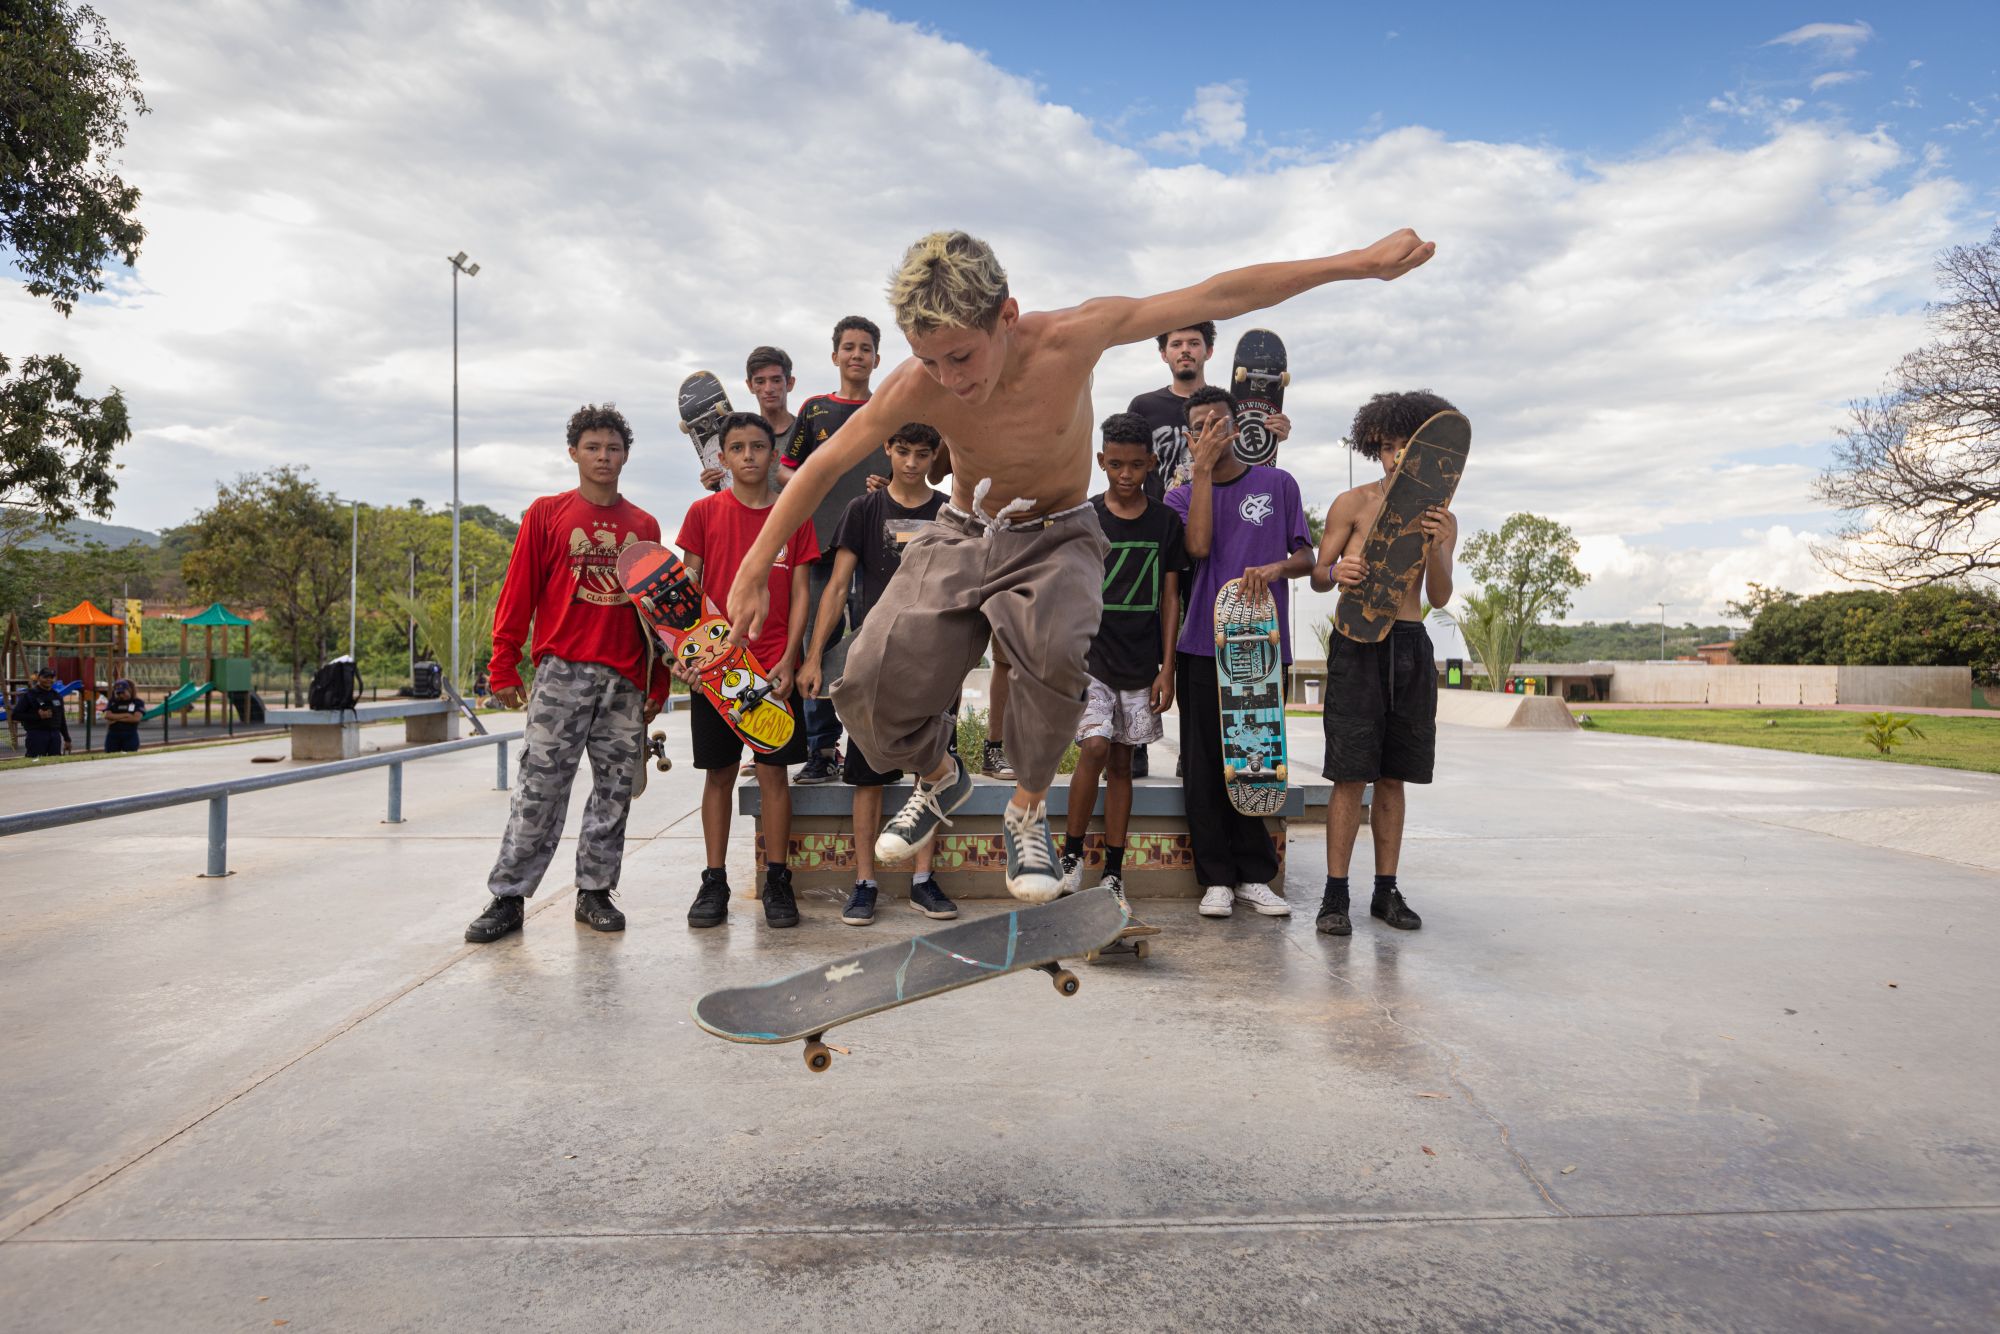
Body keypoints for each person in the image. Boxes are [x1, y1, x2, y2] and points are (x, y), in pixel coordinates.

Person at [724, 226, 1434, 901]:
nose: (948, 379)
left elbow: (1217, 295)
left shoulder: (1075, 335)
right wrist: (756, 566)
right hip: (964, 529)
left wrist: (1356, 263)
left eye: (961, 357)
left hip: (1058, 535)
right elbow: (821, 466)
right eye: (930, 359)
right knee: (864, 677)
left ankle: (1028, 812)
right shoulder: (916, 385)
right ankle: (940, 776)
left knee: (1058, 653)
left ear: (1007, 315)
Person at [464, 404, 670, 944]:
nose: (604, 457)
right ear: (574, 452)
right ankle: (508, 897)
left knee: (615, 792)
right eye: (594, 447)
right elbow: (519, 590)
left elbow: (659, 613)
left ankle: (595, 892)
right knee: (539, 787)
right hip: (561, 672)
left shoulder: (643, 526)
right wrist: (502, 662)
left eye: (614, 448)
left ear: (627, 455)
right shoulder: (547, 513)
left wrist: (659, 682)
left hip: (624, 679)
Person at [1310, 390, 1460, 935]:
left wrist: (1440, 547)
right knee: (1350, 776)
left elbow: (1439, 596)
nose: (1397, 456)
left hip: (1410, 643)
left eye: (1407, 446)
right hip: (1357, 641)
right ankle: (1334, 897)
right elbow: (1318, 574)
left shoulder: (1441, 515)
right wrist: (1337, 572)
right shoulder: (1351, 504)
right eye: (1389, 447)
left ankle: (1386, 892)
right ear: (1376, 447)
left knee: (1393, 778)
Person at [799, 422, 960, 926]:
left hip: (935, 661)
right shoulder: (864, 510)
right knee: (867, 775)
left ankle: (922, 880)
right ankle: (865, 881)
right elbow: (836, 586)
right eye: (903, 452)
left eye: (922, 453)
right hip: (873, 659)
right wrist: (813, 657)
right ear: (887, 450)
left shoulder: (948, 513)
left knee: (930, 772)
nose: (912, 463)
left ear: (935, 455)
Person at [1166, 387, 1314, 918]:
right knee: (1206, 764)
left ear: (1237, 427)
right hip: (1204, 646)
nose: (1212, 433)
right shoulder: (1180, 496)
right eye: (1200, 426)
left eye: (1219, 422)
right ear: (1190, 438)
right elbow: (1199, 548)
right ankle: (1216, 880)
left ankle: (1255, 875)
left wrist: (1277, 569)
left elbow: (1306, 554)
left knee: (1256, 757)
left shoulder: (1278, 484)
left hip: (1262, 644)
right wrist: (1200, 473)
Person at [1126, 322, 1291, 780]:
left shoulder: (1230, 406)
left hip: (1220, 534)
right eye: (1175, 343)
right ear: (1164, 354)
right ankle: (1137, 739)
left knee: (1205, 644)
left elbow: (1258, 472)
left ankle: (1202, 752)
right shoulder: (1146, 406)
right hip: (1168, 522)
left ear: (1209, 351)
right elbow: (1130, 462)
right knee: (1152, 625)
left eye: (1193, 343)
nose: (1184, 350)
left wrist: (1272, 432)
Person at [680, 412, 818, 929]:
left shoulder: (793, 515)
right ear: (722, 457)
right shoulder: (702, 513)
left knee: (773, 775)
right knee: (718, 775)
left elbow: (802, 592)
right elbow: (685, 593)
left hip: (772, 670)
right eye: (736, 448)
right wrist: (689, 655)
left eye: (758, 446)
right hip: (716, 668)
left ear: (771, 451)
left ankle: (776, 881)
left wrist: (791, 658)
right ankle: (713, 880)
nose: (748, 457)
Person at [1057, 412, 1186, 911]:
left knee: (1121, 764)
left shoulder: (1164, 521)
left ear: (1151, 464)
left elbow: (1171, 597)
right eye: (1115, 464)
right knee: (1092, 747)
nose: (1126, 474)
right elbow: (1067, 588)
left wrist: (1167, 666)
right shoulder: (1085, 516)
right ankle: (1070, 859)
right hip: (1091, 658)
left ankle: (1112, 872)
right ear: (1101, 462)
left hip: (1141, 660)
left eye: (1136, 465)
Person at [779, 316, 886, 785]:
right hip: (821, 545)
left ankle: (871, 744)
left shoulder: (890, 409)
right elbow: (784, 469)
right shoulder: (816, 409)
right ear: (835, 355)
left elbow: (918, 470)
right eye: (848, 347)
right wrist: (813, 483)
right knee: (815, 646)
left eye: (865, 348)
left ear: (877, 359)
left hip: (877, 550)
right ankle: (822, 750)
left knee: (872, 644)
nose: (856, 355)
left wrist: (890, 485)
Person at [700, 346, 799, 494]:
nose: (768, 388)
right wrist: (717, 483)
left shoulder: (807, 432)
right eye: (760, 381)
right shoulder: (739, 438)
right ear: (750, 385)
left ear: (789, 383)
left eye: (776, 380)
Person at [14, 667, 70, 759]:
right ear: (39, 678)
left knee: (55, 765)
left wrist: (67, 739)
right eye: (46, 677)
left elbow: (62, 719)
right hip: (37, 735)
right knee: (35, 763)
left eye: (51, 677)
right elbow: (15, 715)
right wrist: (37, 716)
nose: (49, 680)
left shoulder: (57, 696)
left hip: (55, 735)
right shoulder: (29, 695)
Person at [103, 678, 144, 752]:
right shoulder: (113, 702)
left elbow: (136, 718)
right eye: (119, 693)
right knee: (110, 755)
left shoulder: (138, 702)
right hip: (113, 734)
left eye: (123, 692)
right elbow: (107, 715)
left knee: (130, 756)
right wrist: (127, 715)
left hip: (130, 734)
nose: (121, 695)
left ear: (129, 690)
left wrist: (115, 719)